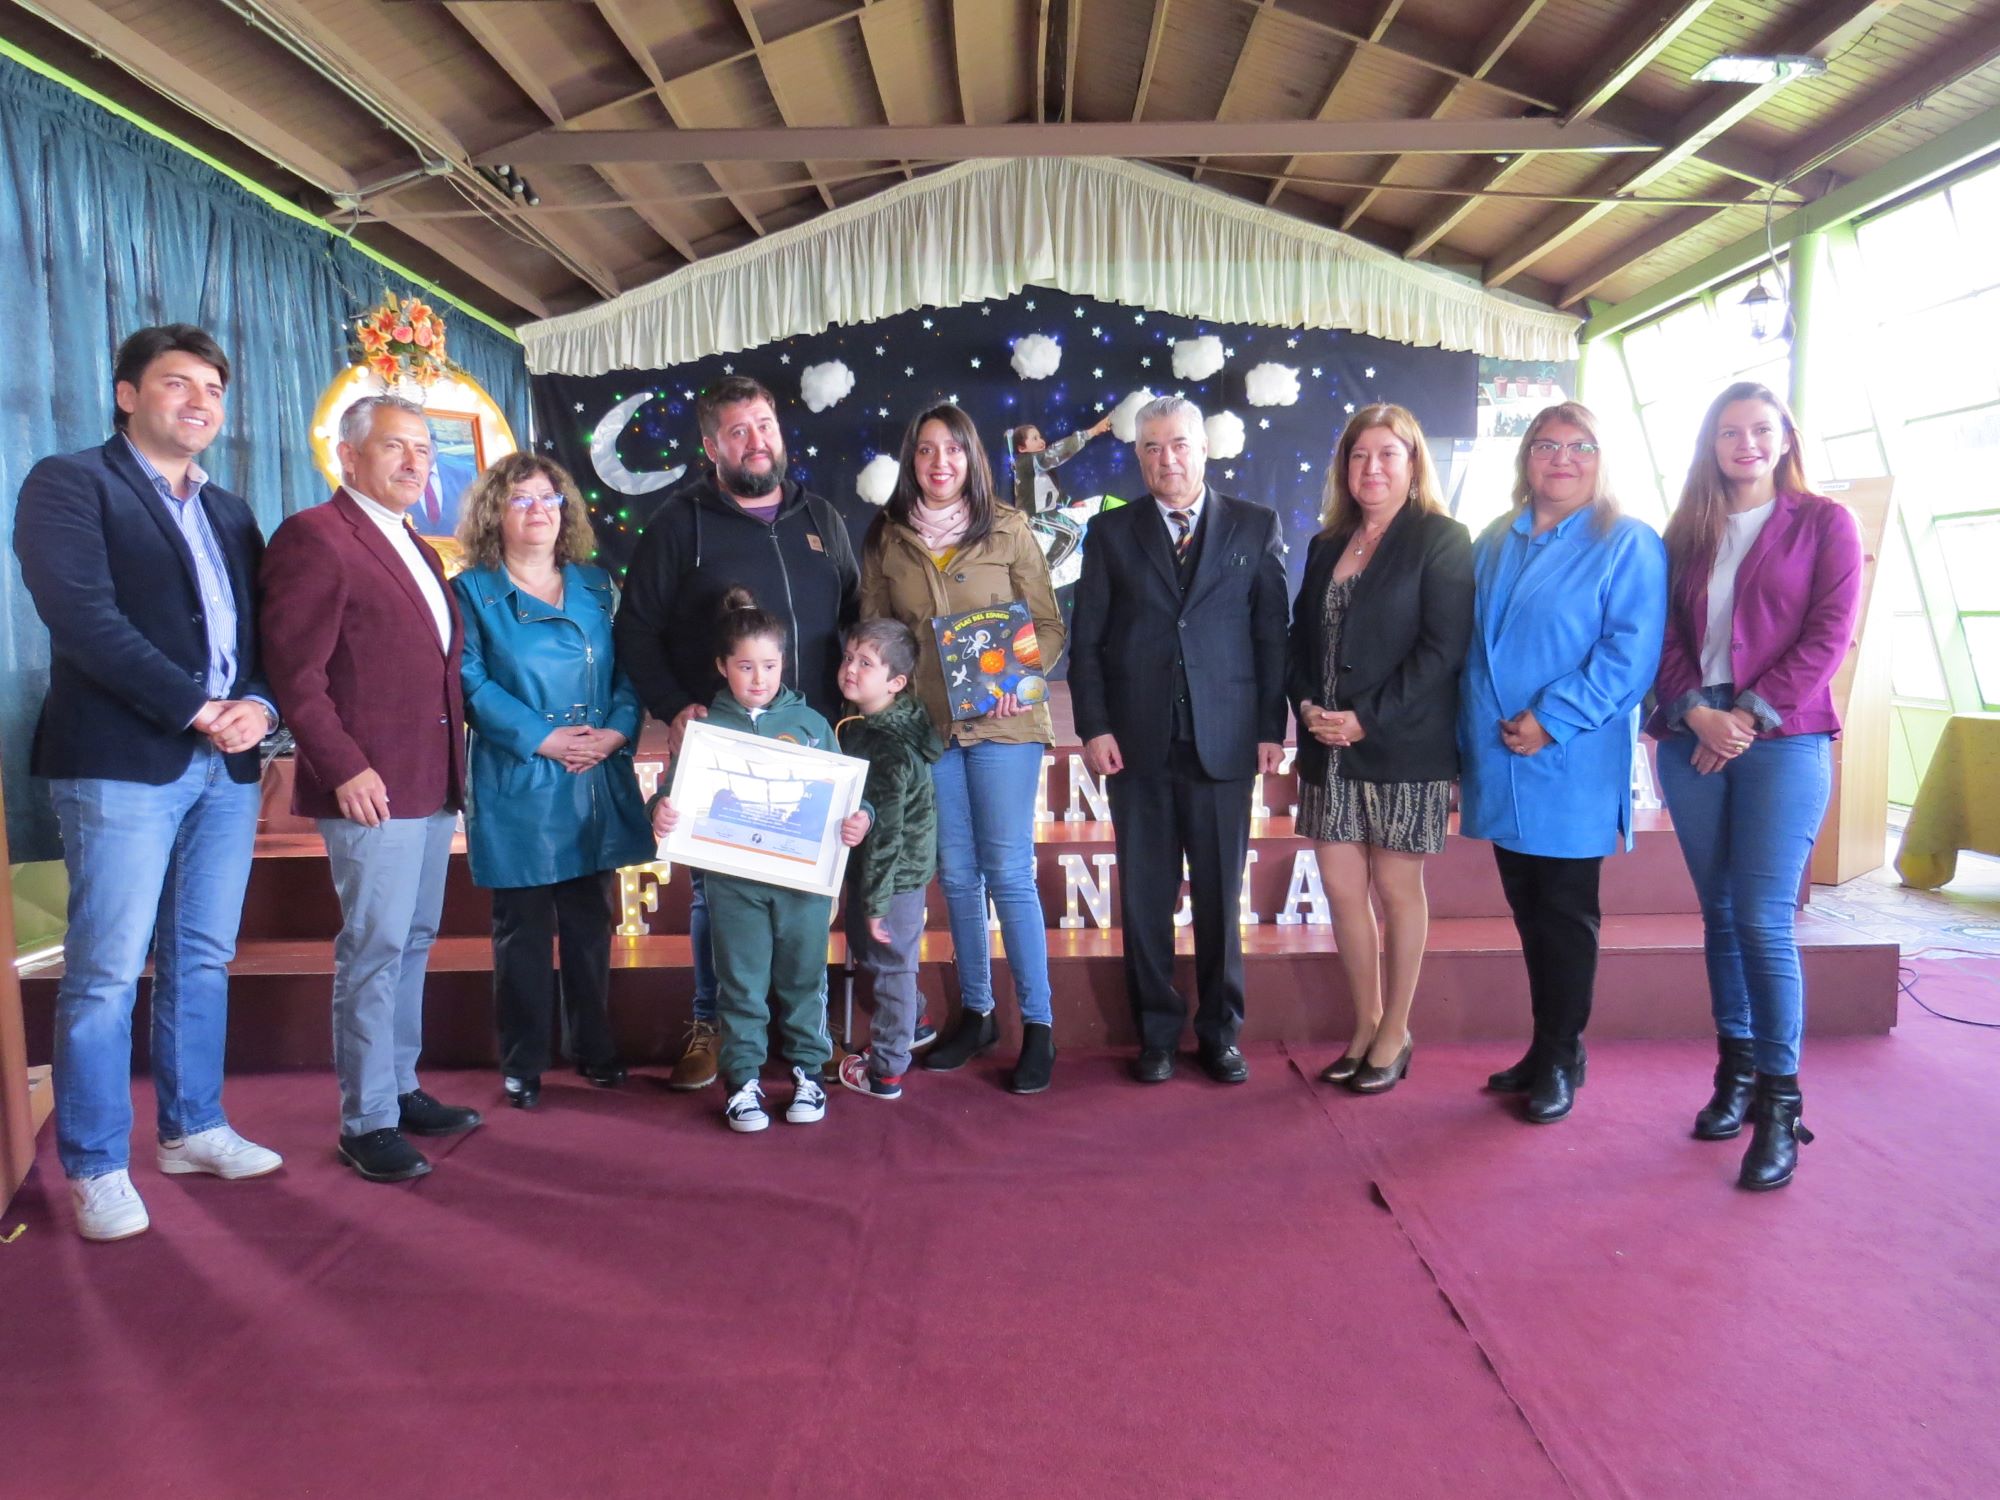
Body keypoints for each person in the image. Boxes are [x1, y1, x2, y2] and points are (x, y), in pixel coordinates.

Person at [12, 324, 282, 1241]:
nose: (199, 400)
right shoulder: (70, 483)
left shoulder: (232, 511)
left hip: (228, 768)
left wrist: (259, 706)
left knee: (202, 957)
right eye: (177, 383)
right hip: (122, 761)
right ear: (127, 394)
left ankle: (193, 1127)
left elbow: (262, 638)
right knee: (105, 974)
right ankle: (95, 1165)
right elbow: (81, 618)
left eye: (213, 386)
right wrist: (198, 706)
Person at [614, 375, 859, 1092]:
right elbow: (636, 629)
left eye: (765, 424)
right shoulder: (678, 524)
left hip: (809, 745)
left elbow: (852, 609)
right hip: (725, 742)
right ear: (711, 445)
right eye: (738, 431)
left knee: (807, 894)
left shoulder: (823, 517)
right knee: (717, 895)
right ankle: (712, 1023)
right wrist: (672, 705)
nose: (757, 442)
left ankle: (799, 1029)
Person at [261, 395, 484, 1183]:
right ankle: (366, 1119)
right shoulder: (315, 537)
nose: (415, 462)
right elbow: (297, 674)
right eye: (395, 446)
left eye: (423, 450)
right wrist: (343, 765)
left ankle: (399, 1085)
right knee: (375, 946)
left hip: (429, 783)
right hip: (369, 785)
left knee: (414, 940)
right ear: (348, 456)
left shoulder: (419, 547)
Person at [1649, 382, 1862, 1191]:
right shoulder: (1687, 532)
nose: (1747, 443)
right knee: (1720, 916)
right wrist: (1697, 714)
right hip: (1694, 739)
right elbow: (1665, 638)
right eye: (1731, 431)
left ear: (1785, 439)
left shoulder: (1824, 523)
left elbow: (1830, 632)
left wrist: (1745, 717)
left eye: (1761, 430)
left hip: (1785, 742)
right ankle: (1734, 1073)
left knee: (1762, 920)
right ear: (1711, 443)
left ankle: (1779, 1102)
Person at [1069, 396, 1289, 1086]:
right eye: (1153, 448)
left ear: (1205, 448)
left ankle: (1220, 1033)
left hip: (1225, 746)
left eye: (1180, 445)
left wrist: (1267, 729)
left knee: (1223, 900)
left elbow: (1270, 636)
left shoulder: (1255, 526)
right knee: (1144, 898)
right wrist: (1094, 725)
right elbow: (1088, 643)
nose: (1168, 459)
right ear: (1138, 456)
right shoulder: (1110, 533)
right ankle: (1156, 1034)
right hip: (1136, 745)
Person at [1457, 404, 1667, 1123]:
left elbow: (1629, 655)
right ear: (1526, 458)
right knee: (1528, 911)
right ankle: (1546, 1045)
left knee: (1566, 915)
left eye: (1581, 446)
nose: (1563, 459)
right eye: (1547, 445)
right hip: (1500, 757)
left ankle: (1563, 1055)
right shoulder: (1495, 540)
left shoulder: (1627, 543)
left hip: (1568, 759)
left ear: (1602, 460)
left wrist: (1553, 718)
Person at [860, 403, 1067, 1094]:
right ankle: (976, 1014)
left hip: (1005, 727)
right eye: (926, 450)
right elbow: (874, 634)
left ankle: (1038, 1025)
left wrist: (1027, 675)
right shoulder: (888, 538)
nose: (939, 462)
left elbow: (1048, 623)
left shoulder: (1009, 528)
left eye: (953, 448)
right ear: (911, 460)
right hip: (931, 730)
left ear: (971, 458)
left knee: (1008, 872)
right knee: (956, 877)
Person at [450, 453, 656, 1111]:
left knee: (592, 925)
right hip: (523, 776)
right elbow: (470, 683)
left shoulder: (598, 585)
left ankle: (595, 1047)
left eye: (549, 498)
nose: (538, 510)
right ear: (495, 514)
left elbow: (631, 671)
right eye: (521, 500)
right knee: (524, 933)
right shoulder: (471, 592)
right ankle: (523, 1061)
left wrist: (618, 732)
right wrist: (545, 738)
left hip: (594, 771)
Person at [1289, 404, 1473, 1095]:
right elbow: (1298, 641)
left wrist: (1367, 719)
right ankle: (1363, 1025)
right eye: (1360, 456)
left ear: (1414, 463)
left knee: (1396, 890)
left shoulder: (1442, 540)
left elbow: (1441, 650)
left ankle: (1397, 1029)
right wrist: (1306, 703)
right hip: (1326, 747)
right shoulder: (1323, 544)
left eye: (1388, 455)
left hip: (1402, 745)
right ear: (1345, 467)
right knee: (1341, 889)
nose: (1373, 468)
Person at [650, 589, 871, 1133]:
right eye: (745, 666)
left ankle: (807, 1073)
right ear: (723, 666)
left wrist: (860, 818)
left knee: (803, 979)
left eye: (769, 665)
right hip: (734, 884)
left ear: (784, 663)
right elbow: (670, 796)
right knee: (741, 983)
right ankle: (742, 1080)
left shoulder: (814, 723)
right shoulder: (704, 730)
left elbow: (849, 794)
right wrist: (660, 811)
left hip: (802, 884)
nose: (758, 678)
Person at [833, 620, 942, 1100]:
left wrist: (875, 902)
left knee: (893, 962)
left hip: (892, 878)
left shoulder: (890, 746)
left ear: (896, 683)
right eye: (849, 658)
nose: (850, 669)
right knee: (873, 949)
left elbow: (887, 837)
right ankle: (913, 1019)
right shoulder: (871, 722)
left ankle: (886, 1070)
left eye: (866, 663)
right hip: (874, 874)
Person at [1007, 416, 1112, 515]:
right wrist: (1092, 432)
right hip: (1031, 520)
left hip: (1046, 516)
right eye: (1035, 439)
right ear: (1021, 448)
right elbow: (1056, 452)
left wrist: (1070, 503)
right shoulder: (1025, 462)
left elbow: (1052, 493)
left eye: (1040, 437)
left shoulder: (1042, 467)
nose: (1042, 441)